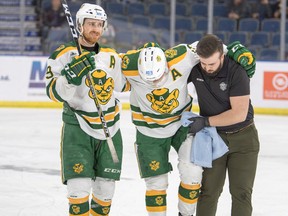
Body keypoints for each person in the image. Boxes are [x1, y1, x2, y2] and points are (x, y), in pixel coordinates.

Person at [121, 40, 255, 216]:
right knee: (175, 187)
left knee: (203, 178)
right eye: (149, 79)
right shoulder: (128, 64)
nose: (155, 83)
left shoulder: (184, 58)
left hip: (202, 129)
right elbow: (106, 65)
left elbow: (207, 46)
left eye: (159, 77)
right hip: (157, 132)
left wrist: (234, 49)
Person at [45, 3, 126, 216]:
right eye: (91, 24)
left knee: (105, 192)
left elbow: (125, 84)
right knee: (78, 191)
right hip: (77, 130)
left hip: (110, 128)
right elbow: (53, 92)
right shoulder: (63, 55)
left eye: (100, 25)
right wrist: (70, 78)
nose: (96, 29)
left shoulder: (111, 56)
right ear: (80, 25)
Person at [186, 34, 260, 216]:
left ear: (222, 56)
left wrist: (205, 121)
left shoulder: (236, 71)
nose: (206, 68)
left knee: (241, 194)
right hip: (213, 139)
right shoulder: (196, 68)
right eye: (203, 64)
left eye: (211, 64)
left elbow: (239, 113)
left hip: (244, 139)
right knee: (208, 193)